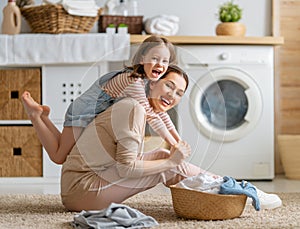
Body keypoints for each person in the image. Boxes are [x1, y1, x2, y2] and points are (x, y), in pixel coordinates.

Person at [21, 35, 180, 165]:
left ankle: (43, 117)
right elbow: (151, 115)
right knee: (59, 157)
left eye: (165, 61)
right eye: (155, 58)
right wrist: (173, 144)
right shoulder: (134, 81)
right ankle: (35, 117)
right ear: (142, 59)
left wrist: (177, 140)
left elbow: (159, 112)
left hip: (92, 114)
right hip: (84, 113)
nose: (160, 64)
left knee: (64, 146)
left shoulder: (147, 82)